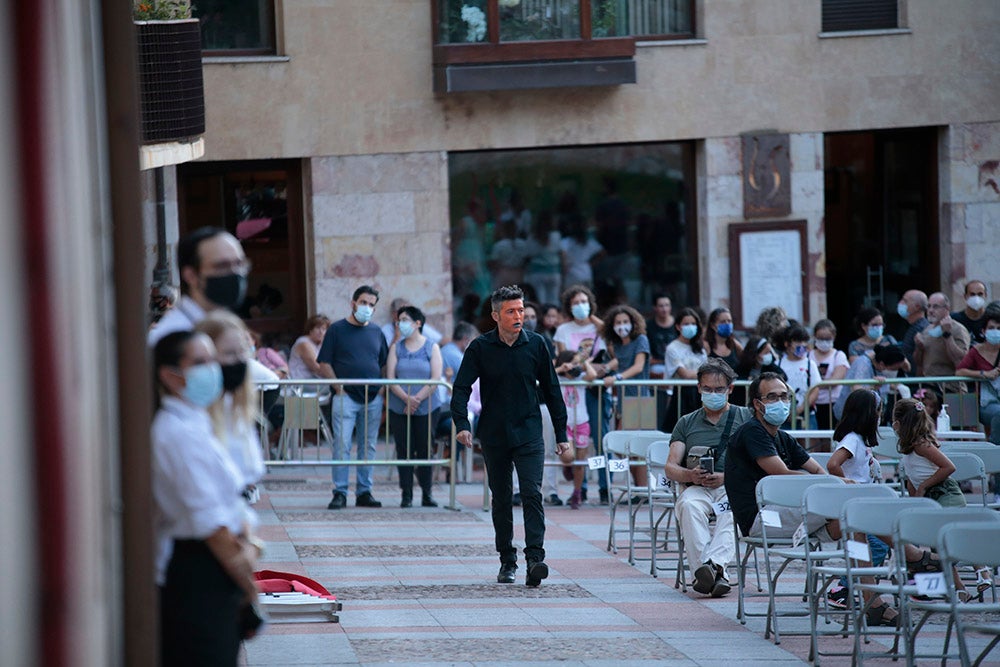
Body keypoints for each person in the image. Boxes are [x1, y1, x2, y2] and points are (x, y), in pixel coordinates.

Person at [152, 331, 262, 665]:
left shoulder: (196, 422)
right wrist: (250, 589)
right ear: (171, 376)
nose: (212, 369)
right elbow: (212, 526)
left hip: (213, 569)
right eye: (200, 362)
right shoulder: (178, 432)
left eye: (212, 359)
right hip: (198, 570)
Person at [451, 285, 571, 587]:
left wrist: (561, 432)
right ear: (495, 315)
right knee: (502, 498)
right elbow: (461, 387)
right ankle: (507, 560)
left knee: (532, 493)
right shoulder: (480, 347)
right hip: (494, 433)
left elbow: (552, 389)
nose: (518, 316)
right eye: (511, 311)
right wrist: (462, 424)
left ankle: (535, 559)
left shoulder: (537, 344)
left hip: (529, 431)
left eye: (520, 310)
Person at [664, 359, 752, 598]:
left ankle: (710, 569)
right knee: (688, 506)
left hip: (732, 487)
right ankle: (717, 572)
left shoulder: (746, 418)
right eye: (708, 389)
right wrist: (690, 474)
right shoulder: (686, 422)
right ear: (699, 388)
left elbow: (758, 463)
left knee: (733, 510)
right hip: (697, 487)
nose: (713, 394)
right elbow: (670, 467)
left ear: (730, 389)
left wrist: (727, 476)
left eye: (719, 389)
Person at [723, 372, 826, 540]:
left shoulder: (784, 437)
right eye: (772, 397)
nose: (780, 402)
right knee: (841, 506)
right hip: (761, 519)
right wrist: (834, 484)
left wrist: (838, 485)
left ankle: (870, 563)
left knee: (851, 513)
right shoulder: (752, 431)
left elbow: (817, 470)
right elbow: (782, 475)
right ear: (757, 404)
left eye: (784, 397)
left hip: (787, 511)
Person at [894, 398, 976, 601]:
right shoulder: (909, 448)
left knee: (945, 544)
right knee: (935, 549)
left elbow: (948, 467)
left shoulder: (921, 445)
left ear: (900, 423)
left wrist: (924, 486)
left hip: (944, 494)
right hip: (929, 499)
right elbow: (913, 479)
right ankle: (958, 590)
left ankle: (980, 568)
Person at [317, 285, 389, 510]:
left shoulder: (377, 332)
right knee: (342, 445)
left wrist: (381, 390)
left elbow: (384, 363)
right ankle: (339, 492)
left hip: (372, 397)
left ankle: (364, 491)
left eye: (371, 305)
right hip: (345, 397)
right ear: (353, 303)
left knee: (368, 446)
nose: (366, 307)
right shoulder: (337, 329)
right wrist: (338, 388)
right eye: (363, 302)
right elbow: (324, 362)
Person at [196, 312, 267, 505]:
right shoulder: (191, 419)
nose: (239, 360)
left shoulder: (235, 408)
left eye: (243, 351)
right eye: (228, 353)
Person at [553, 284, 610, 504]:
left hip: (591, 387)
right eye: (575, 302)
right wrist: (570, 366)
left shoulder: (598, 328)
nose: (580, 306)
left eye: (584, 302)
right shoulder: (563, 330)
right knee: (569, 448)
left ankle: (597, 488)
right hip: (569, 384)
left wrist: (592, 317)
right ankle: (578, 483)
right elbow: (561, 357)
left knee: (594, 441)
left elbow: (608, 333)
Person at [148, 226, 251, 347]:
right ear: (191, 275)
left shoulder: (233, 327)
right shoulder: (168, 338)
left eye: (239, 264)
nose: (235, 273)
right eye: (222, 266)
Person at [386, 305, 442, 508]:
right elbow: (391, 378)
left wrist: (417, 399)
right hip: (399, 407)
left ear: (418, 323)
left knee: (425, 449)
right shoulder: (396, 347)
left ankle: (427, 493)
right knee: (404, 450)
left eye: (404, 319)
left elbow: (435, 378)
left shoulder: (432, 347)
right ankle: (406, 493)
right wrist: (407, 399)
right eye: (399, 320)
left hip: (427, 406)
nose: (400, 324)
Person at [554, 350, 598, 509]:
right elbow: (544, 374)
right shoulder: (557, 378)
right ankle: (567, 466)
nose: (573, 366)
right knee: (568, 457)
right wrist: (561, 368)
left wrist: (583, 362)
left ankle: (577, 492)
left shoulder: (580, 378)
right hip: (565, 423)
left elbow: (592, 375)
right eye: (571, 362)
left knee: (580, 461)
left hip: (582, 422)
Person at [956, 310, 1000, 445]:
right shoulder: (976, 351)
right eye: (991, 328)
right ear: (983, 331)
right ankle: (994, 451)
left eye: (999, 328)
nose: (995, 331)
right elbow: (959, 372)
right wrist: (983, 374)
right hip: (985, 402)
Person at [833, 344, 909, 421]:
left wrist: (900, 387)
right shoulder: (863, 364)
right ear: (882, 364)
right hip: (851, 413)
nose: (894, 371)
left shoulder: (878, 363)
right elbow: (856, 389)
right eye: (893, 369)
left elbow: (886, 383)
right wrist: (873, 386)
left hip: (867, 414)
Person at [914, 292, 970, 392]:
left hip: (951, 388)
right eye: (929, 306)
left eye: (935, 307)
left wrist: (947, 335)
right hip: (929, 388)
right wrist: (919, 348)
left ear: (947, 309)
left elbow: (961, 361)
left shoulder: (958, 329)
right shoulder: (927, 330)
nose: (930, 310)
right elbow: (918, 363)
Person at [663, 308, 708, 431]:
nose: (690, 327)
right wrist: (702, 373)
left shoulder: (700, 349)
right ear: (678, 326)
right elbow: (684, 374)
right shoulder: (673, 348)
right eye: (686, 324)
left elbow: (706, 372)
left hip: (699, 395)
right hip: (680, 396)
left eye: (693, 324)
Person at [776, 324, 822, 429]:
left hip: (807, 415)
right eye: (797, 341)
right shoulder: (778, 364)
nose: (802, 345)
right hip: (782, 416)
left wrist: (800, 410)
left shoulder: (810, 364)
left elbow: (815, 390)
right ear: (787, 344)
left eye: (804, 341)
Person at [809, 319, 850, 431]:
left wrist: (815, 385)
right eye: (820, 338)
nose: (824, 341)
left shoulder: (839, 355)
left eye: (827, 338)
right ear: (815, 337)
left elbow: (835, 380)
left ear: (834, 336)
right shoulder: (808, 355)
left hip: (833, 403)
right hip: (813, 403)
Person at [522, 210, 563, 306]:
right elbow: (561, 253)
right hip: (553, 271)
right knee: (554, 301)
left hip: (537, 272)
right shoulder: (556, 236)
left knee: (540, 302)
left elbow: (527, 255)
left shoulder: (532, 237)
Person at [733, 335, 785, 407]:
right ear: (755, 354)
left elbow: (783, 376)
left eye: (770, 352)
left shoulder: (770, 367)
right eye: (766, 353)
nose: (769, 355)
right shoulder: (741, 368)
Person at [560, 212, 604, 287]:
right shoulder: (589, 242)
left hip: (572, 274)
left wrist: (563, 273)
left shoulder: (566, 242)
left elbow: (563, 257)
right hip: (586, 273)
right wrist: (590, 264)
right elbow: (602, 253)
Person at [645, 294, 677, 378]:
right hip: (656, 365)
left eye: (667, 305)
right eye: (661, 306)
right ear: (655, 308)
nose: (664, 309)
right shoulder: (648, 326)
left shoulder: (678, 324)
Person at [896, 289, 929, 368]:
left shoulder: (921, 329)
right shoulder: (912, 326)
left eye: (905, 301)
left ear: (917, 307)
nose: (900, 303)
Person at [705, 307, 743, 371]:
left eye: (729, 321)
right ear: (713, 325)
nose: (727, 324)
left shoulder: (735, 345)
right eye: (723, 322)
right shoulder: (706, 346)